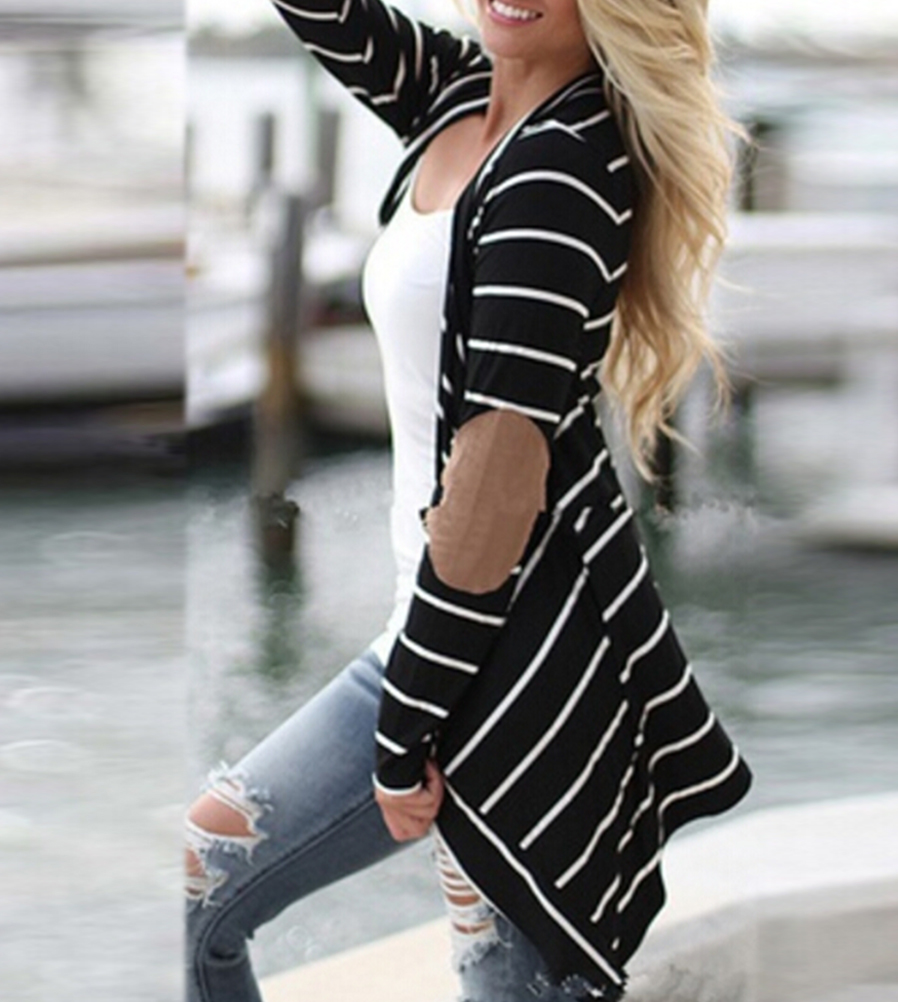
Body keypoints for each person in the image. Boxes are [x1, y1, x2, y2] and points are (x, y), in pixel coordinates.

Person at [184, 1, 753, 1000]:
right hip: (438, 640)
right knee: (203, 885)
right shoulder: (461, 92)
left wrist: (410, 723)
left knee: (495, 973)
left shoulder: (562, 170)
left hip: (508, 666)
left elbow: (499, 482)